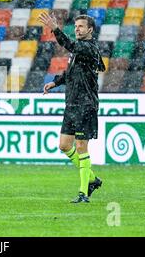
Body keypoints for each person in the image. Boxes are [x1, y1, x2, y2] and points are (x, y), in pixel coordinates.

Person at [38, 12, 105, 203]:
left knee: (81, 147)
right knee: (64, 145)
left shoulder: (88, 48)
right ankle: (91, 179)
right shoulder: (79, 51)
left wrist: (55, 28)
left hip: (86, 105)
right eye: (76, 26)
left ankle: (83, 193)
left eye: (81, 26)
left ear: (90, 30)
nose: (77, 29)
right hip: (72, 104)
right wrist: (55, 82)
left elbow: (70, 45)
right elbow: (71, 73)